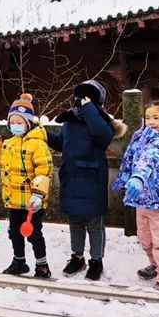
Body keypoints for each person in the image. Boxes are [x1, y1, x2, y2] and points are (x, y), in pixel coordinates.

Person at [48, 80, 127, 281]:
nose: (79, 101)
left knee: (94, 223)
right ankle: (77, 257)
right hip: (71, 176)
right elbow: (61, 143)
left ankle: (96, 260)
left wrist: (89, 108)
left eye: (86, 97)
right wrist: (42, 133)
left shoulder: (102, 120)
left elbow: (102, 136)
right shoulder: (70, 121)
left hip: (91, 178)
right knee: (74, 221)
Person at [113, 100, 159, 292]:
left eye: (156, 117)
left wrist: (138, 177)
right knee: (146, 239)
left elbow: (149, 158)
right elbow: (132, 157)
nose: (151, 121)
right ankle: (155, 265)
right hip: (141, 199)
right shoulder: (141, 135)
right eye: (148, 117)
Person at [0, 93, 53, 278]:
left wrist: (39, 194)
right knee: (15, 233)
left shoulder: (38, 144)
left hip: (32, 200)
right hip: (14, 199)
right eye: (13, 122)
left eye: (19, 122)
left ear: (29, 123)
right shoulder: (9, 143)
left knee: (33, 233)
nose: (16, 125)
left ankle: (42, 265)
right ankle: (19, 261)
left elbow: (44, 170)